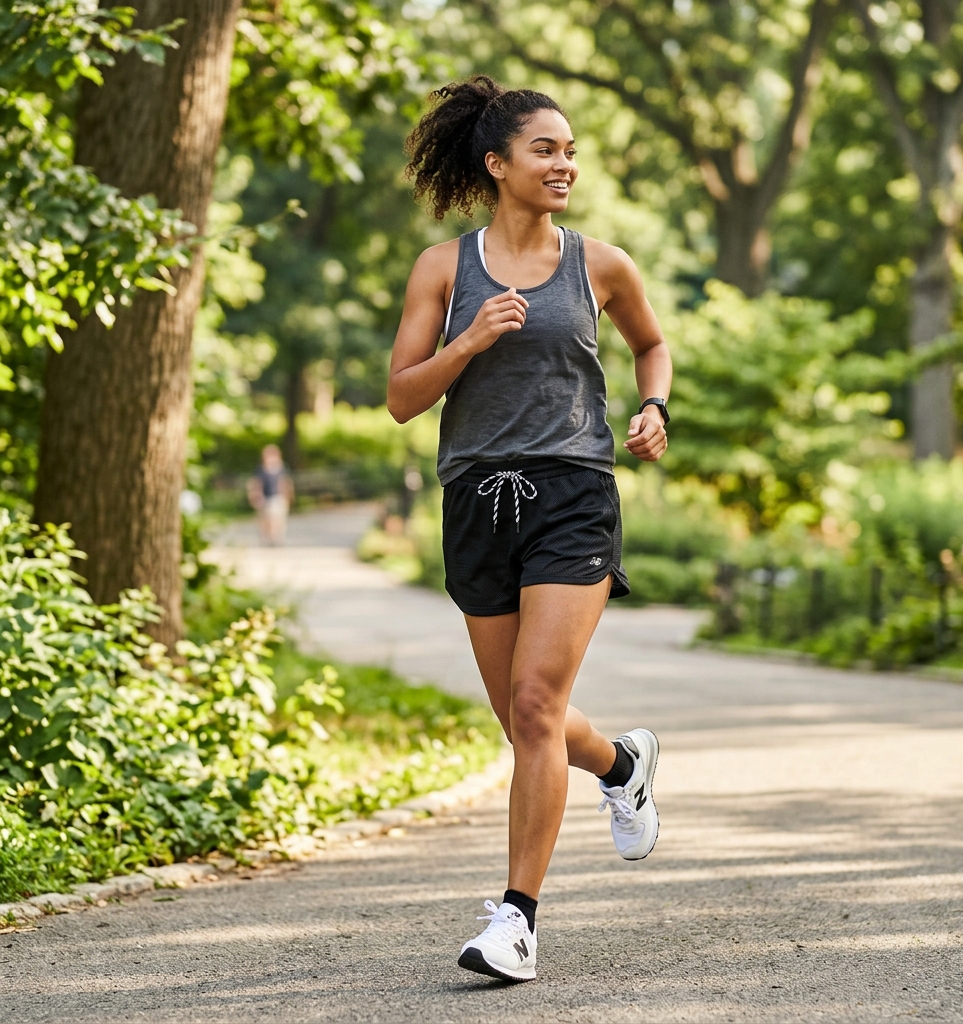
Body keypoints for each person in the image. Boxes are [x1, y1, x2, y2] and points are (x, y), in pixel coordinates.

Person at [388, 76, 672, 982]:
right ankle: (621, 764)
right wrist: (468, 341)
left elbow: (650, 344)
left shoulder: (602, 264)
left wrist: (655, 406)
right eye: (545, 150)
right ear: (496, 163)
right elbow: (401, 398)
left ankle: (517, 922)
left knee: (538, 705)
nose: (565, 165)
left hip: (573, 492)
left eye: (571, 151)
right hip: (477, 500)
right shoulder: (443, 269)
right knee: (525, 721)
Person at [247, 444, 294, 546]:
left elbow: (286, 483)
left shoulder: (282, 468)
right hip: (264, 497)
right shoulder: (260, 469)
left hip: (278, 497)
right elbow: (256, 483)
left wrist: (288, 496)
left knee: (277, 518)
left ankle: (276, 537)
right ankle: (268, 537)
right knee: (265, 519)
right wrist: (255, 496)